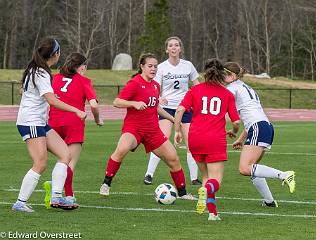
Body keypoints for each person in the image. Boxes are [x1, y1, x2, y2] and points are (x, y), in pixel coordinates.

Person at [99, 53, 194, 200]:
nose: (153, 69)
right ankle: (106, 183)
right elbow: (117, 102)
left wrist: (174, 120)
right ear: (142, 66)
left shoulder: (155, 85)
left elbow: (155, 107)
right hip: (134, 128)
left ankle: (182, 194)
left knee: (173, 159)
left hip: (152, 130)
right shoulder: (134, 83)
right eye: (150, 66)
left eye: (155, 66)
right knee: (122, 149)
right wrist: (133, 103)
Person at [12, 38, 87, 213]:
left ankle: (56, 197)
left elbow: (38, 94)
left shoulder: (37, 70)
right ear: (55, 54)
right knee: (40, 162)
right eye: (59, 51)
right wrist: (76, 110)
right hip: (31, 122)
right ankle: (20, 203)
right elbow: (51, 101)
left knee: (65, 154)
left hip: (40, 122)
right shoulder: (41, 72)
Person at [174, 58, 240, 221]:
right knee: (215, 179)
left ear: (205, 72)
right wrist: (233, 131)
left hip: (195, 138)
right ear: (221, 73)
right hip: (214, 140)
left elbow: (179, 110)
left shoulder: (194, 90)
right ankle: (206, 191)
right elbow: (236, 121)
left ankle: (212, 213)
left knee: (205, 176)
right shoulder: (227, 94)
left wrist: (177, 131)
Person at [224, 62, 296, 208]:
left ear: (232, 75)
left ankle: (284, 175)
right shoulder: (245, 87)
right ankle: (269, 201)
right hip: (264, 127)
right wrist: (241, 138)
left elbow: (224, 110)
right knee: (253, 167)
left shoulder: (232, 89)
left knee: (245, 168)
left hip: (258, 127)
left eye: (223, 74)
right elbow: (251, 116)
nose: (221, 77)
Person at [44, 52, 103, 209]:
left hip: (53, 123)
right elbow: (94, 105)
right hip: (74, 124)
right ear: (82, 66)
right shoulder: (84, 81)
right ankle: (68, 196)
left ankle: (56, 188)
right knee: (69, 162)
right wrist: (97, 119)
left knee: (62, 159)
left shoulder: (54, 78)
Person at [143, 36, 201, 185]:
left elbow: (197, 85)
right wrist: (160, 97)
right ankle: (149, 174)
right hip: (167, 108)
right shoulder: (161, 67)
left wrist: (197, 99)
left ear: (180, 48)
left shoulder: (188, 65)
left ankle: (194, 178)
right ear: (166, 49)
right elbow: (154, 86)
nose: (174, 48)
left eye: (176, 45)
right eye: (171, 45)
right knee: (161, 139)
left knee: (191, 143)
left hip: (185, 107)